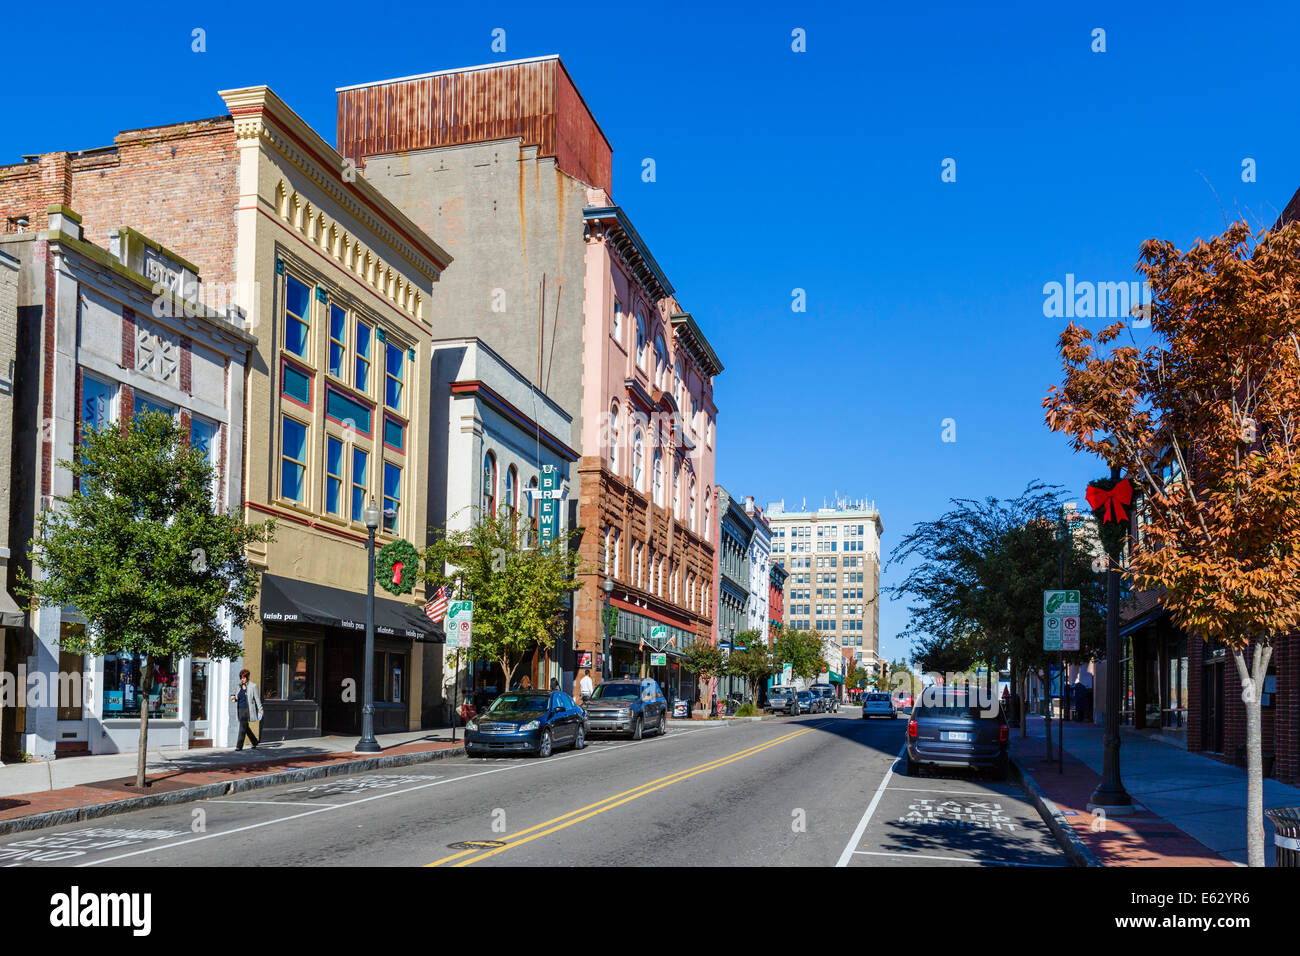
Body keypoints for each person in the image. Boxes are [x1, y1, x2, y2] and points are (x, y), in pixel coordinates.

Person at [228, 668, 263, 751]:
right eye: (241, 677)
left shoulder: (253, 686)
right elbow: (236, 697)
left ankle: (239, 746)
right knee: (245, 727)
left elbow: (257, 699)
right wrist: (233, 698)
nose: (242, 679)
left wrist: (260, 709)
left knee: (242, 727)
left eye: (243, 677)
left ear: (247, 677)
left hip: (248, 710)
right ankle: (254, 741)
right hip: (240, 709)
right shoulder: (238, 686)